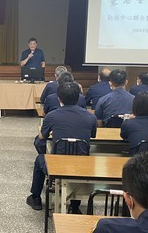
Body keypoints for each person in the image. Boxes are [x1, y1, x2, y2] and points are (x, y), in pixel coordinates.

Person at [27, 82, 97, 211]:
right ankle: (75, 205)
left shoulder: (52, 115)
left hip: (57, 165)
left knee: (39, 160)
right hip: (82, 165)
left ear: (59, 98)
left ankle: (35, 197)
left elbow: (42, 137)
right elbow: (93, 136)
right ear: (79, 97)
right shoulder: (90, 117)